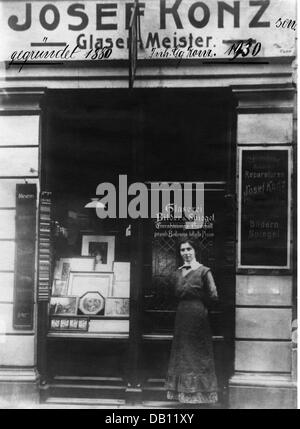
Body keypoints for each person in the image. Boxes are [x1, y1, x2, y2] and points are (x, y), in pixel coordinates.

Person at [165, 238, 219, 405]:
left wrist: (200, 305)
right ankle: (184, 394)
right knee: (183, 354)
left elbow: (213, 295)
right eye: (182, 250)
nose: (186, 253)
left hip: (198, 318)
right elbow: (172, 294)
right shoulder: (177, 272)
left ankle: (201, 394)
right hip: (182, 317)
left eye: (189, 249)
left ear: (195, 251)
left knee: (198, 354)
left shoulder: (204, 271)